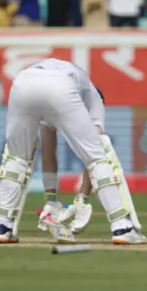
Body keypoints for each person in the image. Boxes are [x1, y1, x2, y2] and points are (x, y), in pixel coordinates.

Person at [0, 58, 146, 245]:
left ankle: (3, 226)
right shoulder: (94, 99)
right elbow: (93, 158)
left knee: (17, 158)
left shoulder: (71, 84)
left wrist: (52, 198)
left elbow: (49, 151)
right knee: (99, 158)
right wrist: (79, 199)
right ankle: (122, 227)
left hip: (23, 82)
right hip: (58, 84)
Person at [37, 87, 107, 234]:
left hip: (52, 97)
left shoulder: (91, 101)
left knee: (92, 148)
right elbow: (93, 150)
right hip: (57, 98)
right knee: (93, 149)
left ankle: (60, 201)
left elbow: (48, 153)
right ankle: (73, 201)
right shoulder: (91, 100)